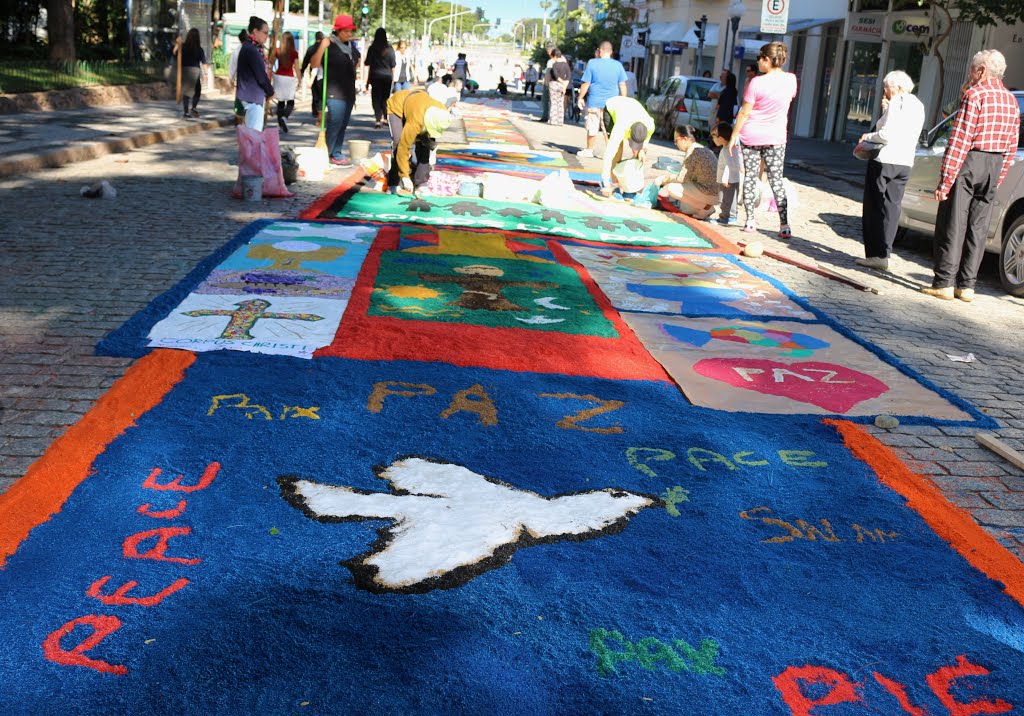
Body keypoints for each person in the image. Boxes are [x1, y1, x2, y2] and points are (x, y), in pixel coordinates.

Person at [924, 49, 1020, 302]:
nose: (970, 74)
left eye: (972, 69)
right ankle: (967, 286)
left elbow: (960, 139)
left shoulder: (975, 95)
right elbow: (1012, 144)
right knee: (978, 227)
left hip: (971, 160)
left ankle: (944, 282)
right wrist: (998, 176)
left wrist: (945, 181)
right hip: (995, 162)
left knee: (953, 222)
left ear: (982, 71)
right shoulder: (1011, 100)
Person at [855, 70, 926, 271]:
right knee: (892, 207)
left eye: (887, 88)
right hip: (905, 162)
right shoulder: (918, 105)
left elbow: (886, 134)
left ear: (898, 87)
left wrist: (868, 137)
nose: (885, 93)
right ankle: (885, 251)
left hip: (885, 159)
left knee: (874, 206)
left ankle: (875, 253)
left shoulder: (898, 101)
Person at [728, 42, 798, 237]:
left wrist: (734, 135)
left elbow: (744, 113)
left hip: (751, 135)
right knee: (776, 180)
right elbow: (787, 100)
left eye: (760, 58)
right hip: (776, 137)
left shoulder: (756, 83)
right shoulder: (791, 80)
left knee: (750, 177)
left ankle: (750, 221)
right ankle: (784, 225)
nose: (758, 62)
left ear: (767, 59)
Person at [310, 14, 361, 166]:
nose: (349, 34)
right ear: (338, 31)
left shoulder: (350, 46)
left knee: (343, 123)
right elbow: (314, 64)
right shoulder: (329, 44)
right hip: (334, 91)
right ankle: (325, 152)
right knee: (335, 122)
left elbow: (357, 62)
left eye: (350, 31)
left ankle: (336, 153)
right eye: (346, 31)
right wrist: (322, 47)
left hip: (348, 91)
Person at [385, 88, 452, 193]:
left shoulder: (441, 111)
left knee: (425, 143)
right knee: (398, 143)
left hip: (417, 105)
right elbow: (403, 147)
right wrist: (405, 176)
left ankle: (421, 182)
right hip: (397, 107)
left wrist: (428, 139)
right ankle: (394, 181)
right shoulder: (416, 122)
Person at [576, 41, 627, 158]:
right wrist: (623, 101)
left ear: (600, 51)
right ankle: (610, 152)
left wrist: (580, 97)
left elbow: (586, 83)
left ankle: (589, 150)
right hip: (612, 104)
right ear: (611, 52)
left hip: (594, 101)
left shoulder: (592, 64)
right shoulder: (618, 65)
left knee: (592, 126)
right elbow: (622, 85)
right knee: (609, 129)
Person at [658, 126, 720, 218]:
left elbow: (681, 178)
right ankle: (705, 208)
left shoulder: (692, 151)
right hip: (717, 192)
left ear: (684, 139)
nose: (675, 144)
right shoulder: (701, 148)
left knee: (671, 188)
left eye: (676, 141)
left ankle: (706, 208)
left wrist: (665, 179)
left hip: (709, 193)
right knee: (684, 205)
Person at [598, 96, 655, 197]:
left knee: (639, 154)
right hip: (613, 107)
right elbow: (608, 154)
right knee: (617, 149)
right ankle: (614, 183)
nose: (633, 147)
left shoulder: (650, 126)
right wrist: (605, 182)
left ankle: (631, 184)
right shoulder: (621, 127)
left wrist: (642, 151)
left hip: (631, 108)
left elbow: (644, 145)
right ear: (629, 133)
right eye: (633, 143)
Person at [234, 16, 274, 131]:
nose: (267, 36)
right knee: (254, 136)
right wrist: (270, 91)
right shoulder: (251, 49)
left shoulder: (250, 47)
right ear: (255, 31)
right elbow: (261, 76)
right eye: (265, 33)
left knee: (251, 135)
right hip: (253, 98)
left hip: (250, 96)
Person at [364, 28, 396, 129]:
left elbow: (367, 62)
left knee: (376, 98)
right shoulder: (390, 49)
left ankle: (378, 120)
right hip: (387, 77)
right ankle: (386, 119)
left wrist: (367, 81)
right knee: (385, 98)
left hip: (375, 76)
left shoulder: (372, 48)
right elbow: (393, 64)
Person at [174, 28, 208, 119]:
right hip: (195, 71)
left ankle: (186, 112)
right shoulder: (199, 49)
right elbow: (204, 63)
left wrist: (177, 45)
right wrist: (206, 74)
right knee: (197, 91)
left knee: (186, 91)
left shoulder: (183, 47)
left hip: (184, 71)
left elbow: (175, 54)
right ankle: (193, 108)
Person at [711, 123, 741, 225]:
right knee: (729, 199)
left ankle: (726, 218)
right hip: (730, 179)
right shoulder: (728, 148)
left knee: (726, 200)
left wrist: (725, 179)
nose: (713, 139)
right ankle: (729, 217)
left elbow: (730, 165)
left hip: (728, 180)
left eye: (714, 137)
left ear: (721, 138)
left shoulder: (728, 150)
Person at [272, 32, 299, 133]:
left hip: (278, 76)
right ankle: (285, 117)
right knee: (291, 102)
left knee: (281, 101)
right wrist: (300, 80)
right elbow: (296, 67)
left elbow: (271, 62)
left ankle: (280, 123)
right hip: (289, 78)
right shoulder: (294, 53)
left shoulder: (278, 51)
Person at [300, 31, 325, 119]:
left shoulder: (311, 49)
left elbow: (306, 60)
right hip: (324, 73)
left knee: (315, 93)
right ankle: (321, 110)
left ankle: (315, 111)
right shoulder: (325, 49)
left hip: (313, 72)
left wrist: (302, 70)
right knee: (323, 93)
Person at [547, 49, 571, 127]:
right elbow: (568, 76)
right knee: (560, 103)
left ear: (554, 56)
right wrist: (564, 85)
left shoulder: (554, 64)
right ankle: (560, 121)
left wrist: (561, 81)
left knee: (553, 103)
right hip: (562, 86)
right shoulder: (566, 65)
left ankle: (553, 120)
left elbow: (556, 75)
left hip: (554, 84)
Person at [538, 44, 555, 121]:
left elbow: (548, 73)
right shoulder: (562, 59)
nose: (548, 53)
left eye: (548, 52)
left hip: (549, 83)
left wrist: (545, 83)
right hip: (559, 83)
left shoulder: (551, 61)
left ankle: (545, 116)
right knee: (555, 102)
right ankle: (554, 117)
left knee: (545, 100)